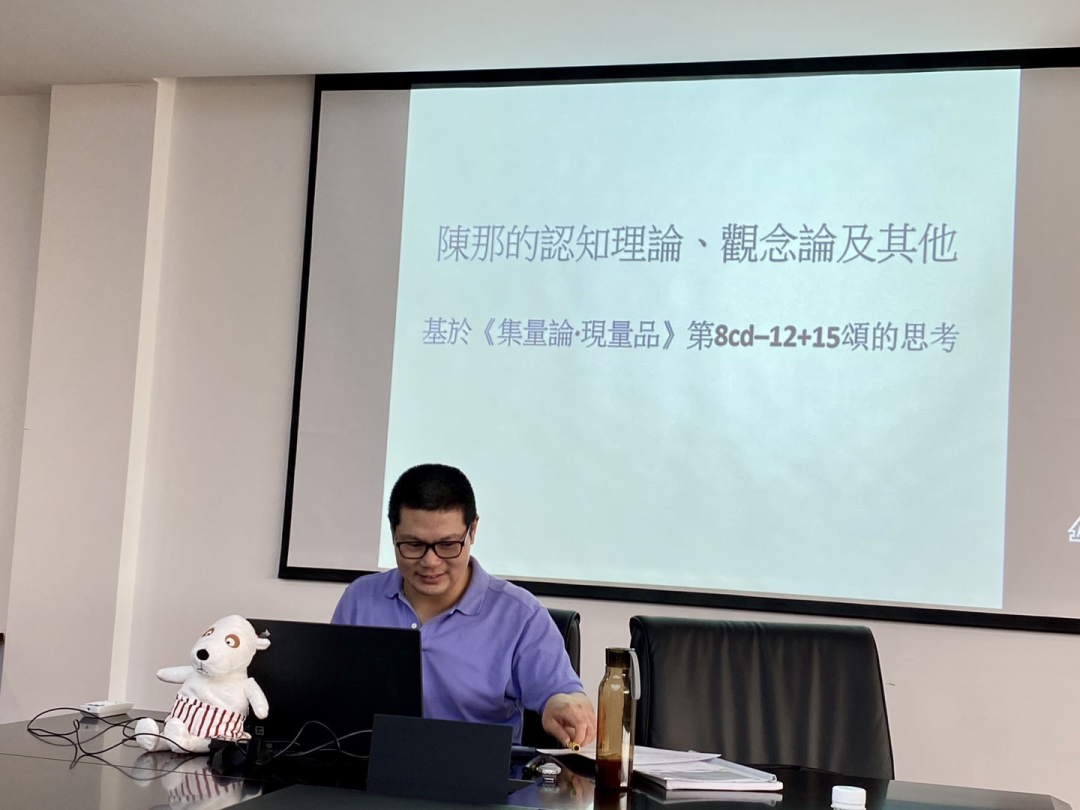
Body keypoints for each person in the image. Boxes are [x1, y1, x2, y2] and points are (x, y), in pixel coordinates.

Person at [332, 463, 597, 747]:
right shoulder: (359, 599)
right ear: (393, 532)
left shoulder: (520, 615)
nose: (430, 561)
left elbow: (562, 693)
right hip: (369, 766)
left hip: (479, 769)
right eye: (413, 545)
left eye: (447, 545)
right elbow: (330, 692)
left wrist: (564, 703)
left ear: (472, 530)